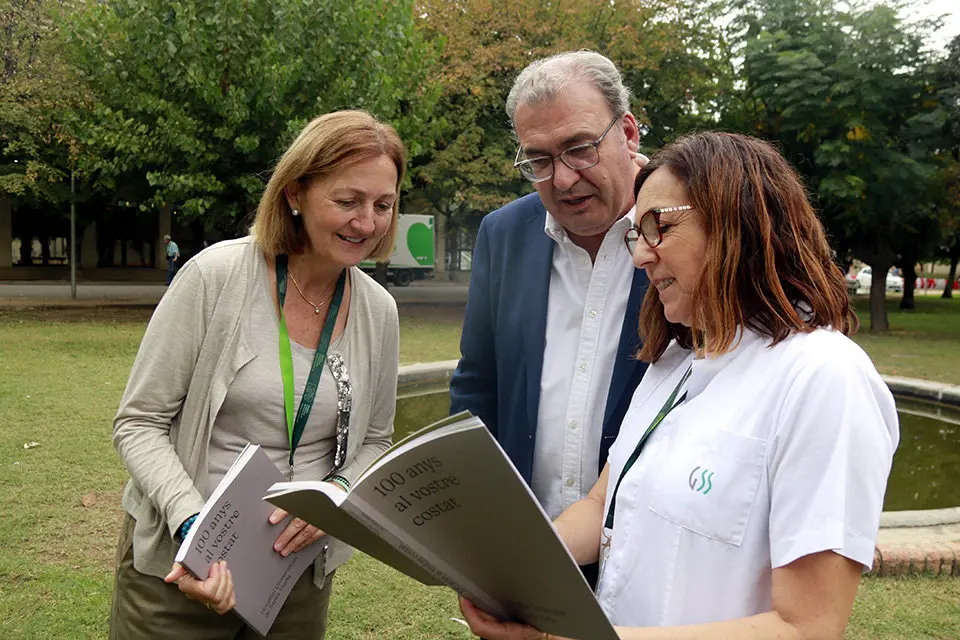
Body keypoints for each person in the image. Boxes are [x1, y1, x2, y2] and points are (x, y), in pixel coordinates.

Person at [458, 132, 900, 639]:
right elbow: (604, 504)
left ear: (739, 222)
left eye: (659, 228)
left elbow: (807, 627)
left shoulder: (824, 378)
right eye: (636, 236)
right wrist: (516, 570)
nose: (641, 256)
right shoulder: (675, 360)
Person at [110, 110, 405, 639]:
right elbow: (139, 423)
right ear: (294, 194)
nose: (367, 223)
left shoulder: (378, 311)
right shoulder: (213, 277)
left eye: (383, 205)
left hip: (294, 574)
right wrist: (192, 525)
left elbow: (376, 439)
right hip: (185, 566)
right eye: (347, 201)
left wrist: (334, 496)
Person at [450, 51, 650, 532]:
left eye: (580, 148)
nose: (562, 178)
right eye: (539, 159)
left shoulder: (685, 227)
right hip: (524, 542)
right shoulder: (503, 235)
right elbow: (478, 384)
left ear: (627, 133)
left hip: (644, 544)